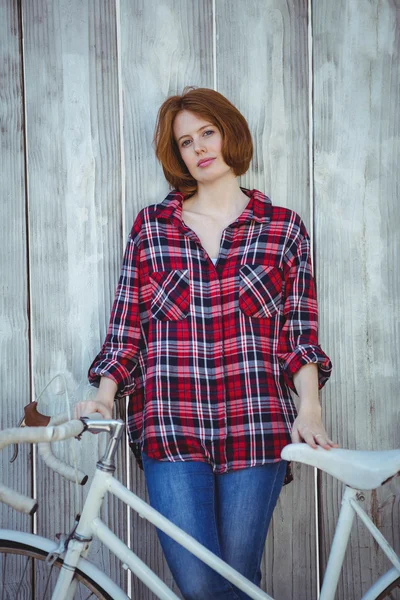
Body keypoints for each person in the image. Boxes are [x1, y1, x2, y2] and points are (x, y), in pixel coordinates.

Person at [74, 86, 337, 600]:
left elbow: (299, 333)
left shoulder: (283, 230)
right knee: (200, 586)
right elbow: (129, 325)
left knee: (238, 583)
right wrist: (105, 395)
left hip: (256, 427)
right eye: (186, 141)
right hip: (172, 428)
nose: (199, 148)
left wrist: (310, 407)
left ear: (229, 134)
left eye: (207, 133)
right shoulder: (153, 228)